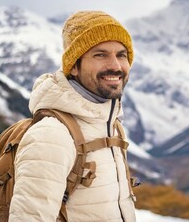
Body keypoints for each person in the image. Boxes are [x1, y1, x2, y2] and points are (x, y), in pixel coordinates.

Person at [8, 11, 136, 222]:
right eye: (100, 54)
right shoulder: (52, 134)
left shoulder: (110, 125)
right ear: (74, 66)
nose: (115, 65)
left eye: (121, 54)